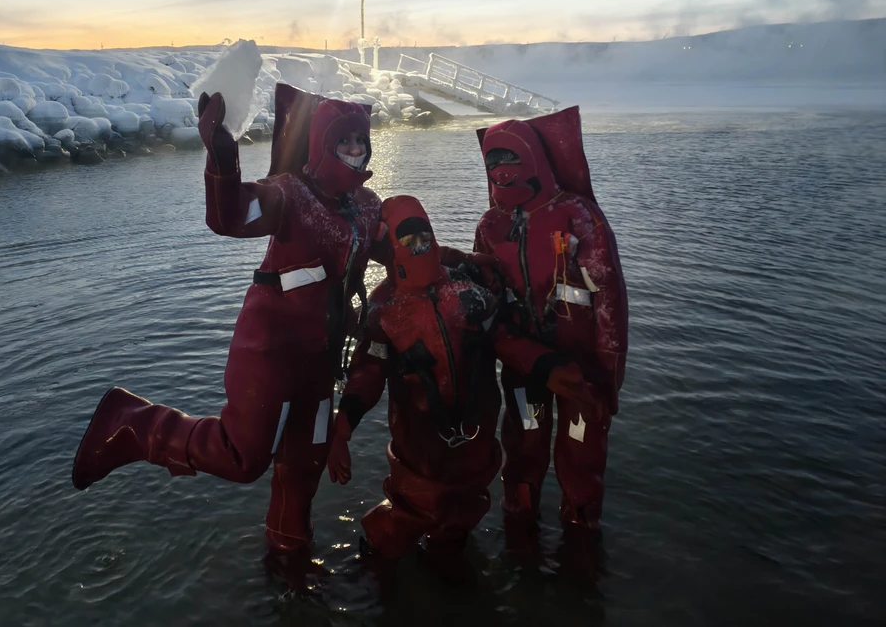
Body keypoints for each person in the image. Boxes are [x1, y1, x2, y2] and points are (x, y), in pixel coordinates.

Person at [71, 83, 383, 577]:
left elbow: (406, 255)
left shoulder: (367, 207)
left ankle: (288, 557)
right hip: (272, 354)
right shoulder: (288, 193)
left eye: (360, 144)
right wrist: (222, 154)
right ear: (322, 144)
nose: (353, 151)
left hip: (321, 364)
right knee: (244, 457)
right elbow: (230, 215)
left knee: (306, 466)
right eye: (343, 142)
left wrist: (464, 265)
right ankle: (134, 422)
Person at [325, 195, 540, 577]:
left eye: (424, 236)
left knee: (461, 515)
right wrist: (342, 431)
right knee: (411, 512)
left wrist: (552, 367)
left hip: (474, 440)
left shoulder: (468, 292)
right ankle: (377, 561)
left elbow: (507, 339)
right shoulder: (384, 310)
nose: (418, 247)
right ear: (390, 248)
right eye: (406, 241)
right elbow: (368, 374)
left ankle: (449, 577)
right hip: (420, 441)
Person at [468, 106, 628, 532]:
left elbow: (608, 294)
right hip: (527, 368)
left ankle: (581, 537)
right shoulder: (490, 224)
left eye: (510, 158)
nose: (501, 170)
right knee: (524, 446)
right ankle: (521, 535)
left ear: (534, 157)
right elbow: (487, 301)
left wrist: (609, 371)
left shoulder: (576, 214)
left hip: (583, 373)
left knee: (581, 453)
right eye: (493, 161)